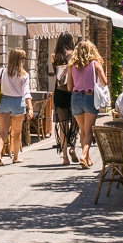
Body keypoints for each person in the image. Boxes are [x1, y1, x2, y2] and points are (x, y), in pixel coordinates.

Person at [0, 49, 32, 166]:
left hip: (4, 101)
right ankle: (15, 157)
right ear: (20, 60)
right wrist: (30, 108)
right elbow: (26, 93)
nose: (24, 61)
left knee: (2, 131)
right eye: (23, 59)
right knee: (16, 133)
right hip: (17, 102)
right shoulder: (24, 75)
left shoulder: (2, 71)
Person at [67, 40, 107, 169]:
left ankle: (87, 158)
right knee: (89, 131)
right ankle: (84, 155)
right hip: (90, 97)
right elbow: (104, 82)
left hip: (75, 98)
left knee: (83, 130)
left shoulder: (71, 65)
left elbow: (69, 87)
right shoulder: (95, 64)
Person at [51, 32, 79, 166]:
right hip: (73, 92)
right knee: (76, 121)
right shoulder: (74, 55)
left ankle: (65, 156)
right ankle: (73, 147)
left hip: (60, 92)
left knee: (62, 124)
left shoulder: (54, 56)